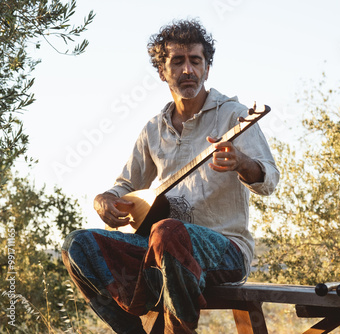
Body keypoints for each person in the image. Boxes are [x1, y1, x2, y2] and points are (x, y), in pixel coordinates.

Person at [61, 19, 279, 333]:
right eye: (177, 61)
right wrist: (104, 200)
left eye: (195, 61)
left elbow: (269, 179)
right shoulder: (153, 129)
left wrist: (241, 162)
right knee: (77, 244)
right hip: (157, 249)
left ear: (207, 68)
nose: (187, 70)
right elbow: (125, 185)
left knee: (167, 232)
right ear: (163, 71)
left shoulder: (234, 115)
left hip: (225, 252)